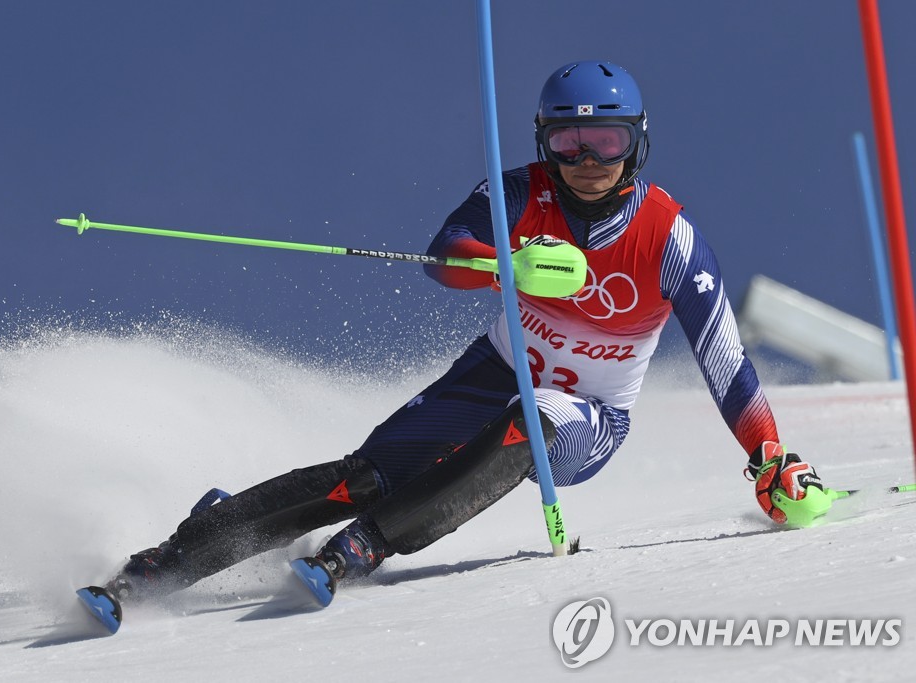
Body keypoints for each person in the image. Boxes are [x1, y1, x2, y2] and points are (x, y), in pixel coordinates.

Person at [96, 60, 822, 604]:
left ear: (637, 144)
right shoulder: (516, 194)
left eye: (606, 140)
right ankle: (175, 557)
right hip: (493, 372)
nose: (588, 162)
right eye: (569, 142)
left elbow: (725, 361)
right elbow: (443, 258)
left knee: (531, 422)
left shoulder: (671, 239)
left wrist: (769, 457)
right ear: (547, 143)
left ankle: (368, 544)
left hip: (590, 414)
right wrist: (507, 266)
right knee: (363, 476)